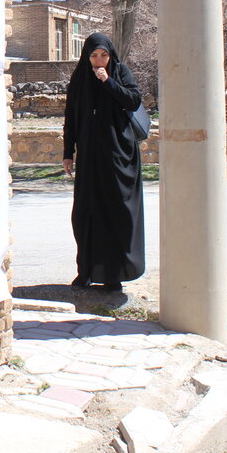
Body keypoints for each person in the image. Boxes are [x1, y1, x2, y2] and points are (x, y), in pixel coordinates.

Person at [61, 33, 145, 292]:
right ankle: (85, 270)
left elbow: (134, 100)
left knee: (115, 212)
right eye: (94, 56)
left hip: (118, 156)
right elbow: (71, 118)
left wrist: (108, 82)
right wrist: (68, 152)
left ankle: (113, 274)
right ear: (87, 56)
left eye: (104, 56)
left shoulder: (120, 72)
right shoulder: (79, 80)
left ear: (111, 55)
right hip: (89, 156)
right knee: (86, 212)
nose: (99, 61)